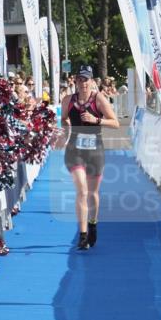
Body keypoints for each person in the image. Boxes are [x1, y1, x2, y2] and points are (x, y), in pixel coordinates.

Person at [56, 65, 119, 250]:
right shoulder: (67, 100)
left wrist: (96, 120)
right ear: (75, 81)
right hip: (75, 150)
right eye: (80, 80)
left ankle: (93, 223)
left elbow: (115, 123)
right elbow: (64, 119)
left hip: (95, 150)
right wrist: (65, 130)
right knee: (82, 191)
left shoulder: (99, 99)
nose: (83, 83)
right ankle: (82, 235)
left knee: (92, 193)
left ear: (92, 81)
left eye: (86, 80)